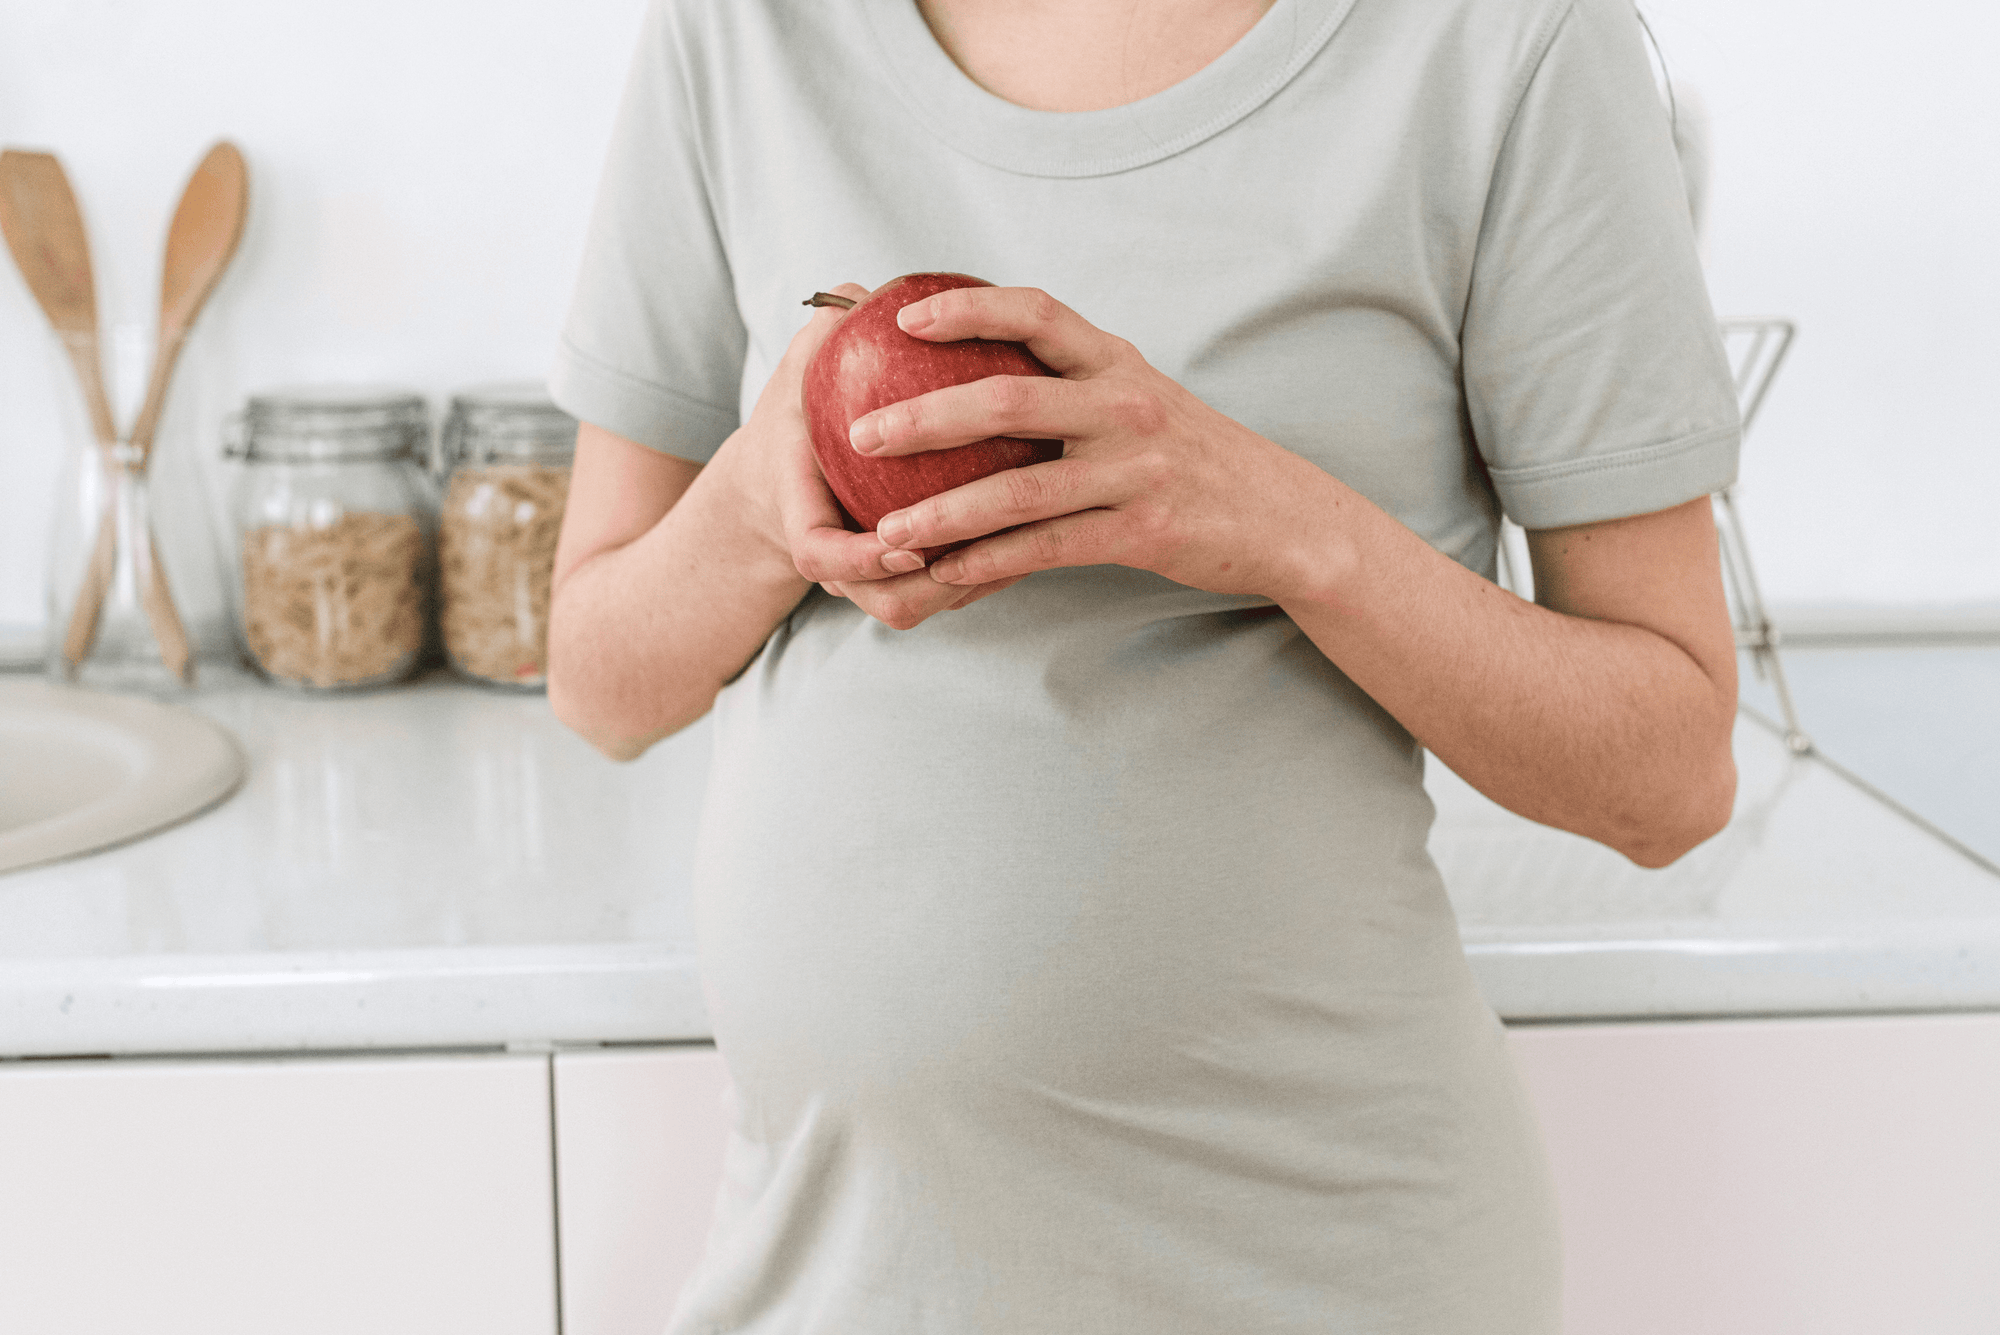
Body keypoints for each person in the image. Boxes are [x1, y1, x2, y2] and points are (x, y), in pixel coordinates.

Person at [544, 0, 1741, 1329]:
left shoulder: (1508, 44)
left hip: (1314, 1273)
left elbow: (1670, 775)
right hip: (829, 1273)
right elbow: (600, 685)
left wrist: (1282, 523)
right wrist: (760, 501)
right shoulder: (743, 31)